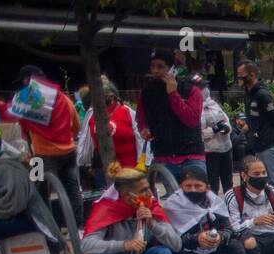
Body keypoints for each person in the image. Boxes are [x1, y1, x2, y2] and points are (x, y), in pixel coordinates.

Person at [10, 66, 84, 231]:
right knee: (72, 190)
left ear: (27, 80)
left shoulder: (26, 101)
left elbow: (21, 131)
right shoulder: (63, 98)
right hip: (68, 152)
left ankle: (48, 231)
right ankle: (79, 228)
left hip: (40, 156)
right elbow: (76, 126)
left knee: (39, 194)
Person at [162, 166, 246, 254]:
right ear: (180, 186)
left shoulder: (215, 202)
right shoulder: (172, 205)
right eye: (188, 186)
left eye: (197, 186)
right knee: (177, 252)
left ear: (207, 187)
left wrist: (221, 237)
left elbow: (229, 229)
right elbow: (171, 239)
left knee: (235, 246)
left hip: (214, 253)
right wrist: (196, 239)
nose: (193, 190)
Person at [137, 51, 206, 185]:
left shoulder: (190, 90)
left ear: (172, 69)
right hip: (163, 155)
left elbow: (191, 120)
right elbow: (142, 118)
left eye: (160, 66)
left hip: (190, 155)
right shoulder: (146, 93)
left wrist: (173, 94)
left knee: (196, 198)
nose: (155, 71)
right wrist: (144, 128)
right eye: (152, 66)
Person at [236, 60, 274, 199]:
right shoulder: (248, 94)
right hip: (258, 144)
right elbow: (255, 118)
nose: (239, 78)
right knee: (268, 180)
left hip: (269, 144)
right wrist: (246, 125)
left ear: (252, 75)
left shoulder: (262, 95)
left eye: (242, 75)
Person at [76, 79, 142, 190]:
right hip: (103, 170)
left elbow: (140, 139)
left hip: (129, 170)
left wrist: (141, 165)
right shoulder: (91, 115)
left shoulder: (127, 112)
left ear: (111, 97)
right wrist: (87, 165)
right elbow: (86, 142)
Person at [198, 79, 234, 197]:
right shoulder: (197, 109)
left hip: (225, 147)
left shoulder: (213, 104)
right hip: (210, 151)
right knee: (213, 184)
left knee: (228, 182)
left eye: (205, 87)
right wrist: (213, 130)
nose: (205, 90)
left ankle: (230, 207)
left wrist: (226, 128)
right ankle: (214, 210)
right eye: (201, 88)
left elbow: (225, 119)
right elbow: (199, 134)